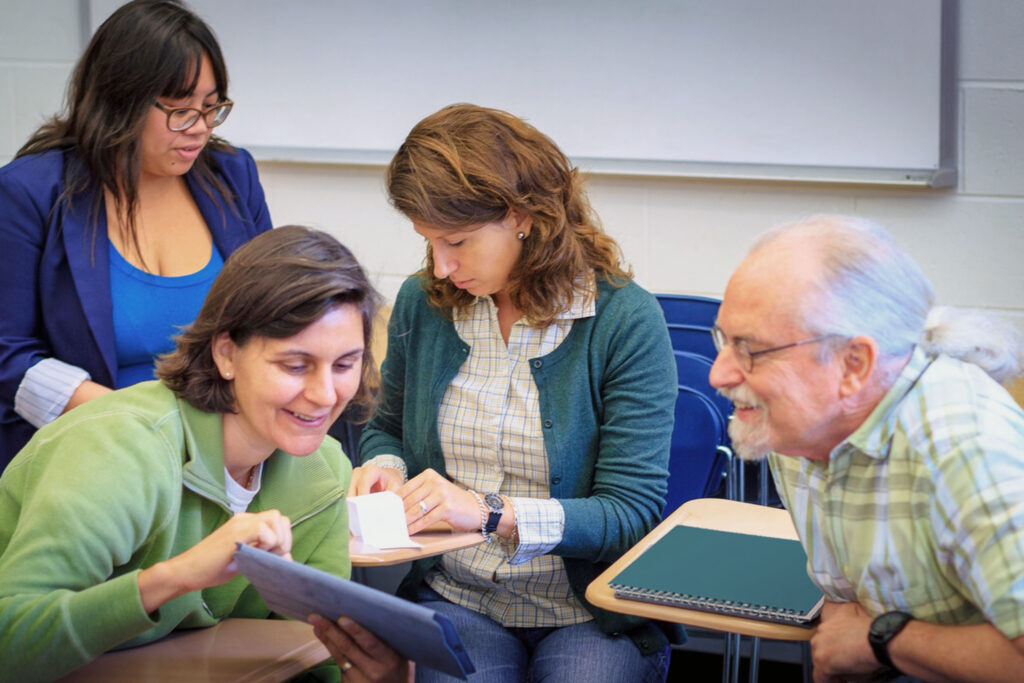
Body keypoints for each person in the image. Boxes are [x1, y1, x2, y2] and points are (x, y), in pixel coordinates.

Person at [349, 103, 680, 682]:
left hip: (588, 610)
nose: (443, 266)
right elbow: (387, 428)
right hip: (458, 593)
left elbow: (630, 514)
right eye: (429, 242)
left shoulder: (624, 320)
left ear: (522, 216)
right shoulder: (423, 304)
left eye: (457, 241)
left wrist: (489, 514)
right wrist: (385, 468)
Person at [0, 226, 381, 680]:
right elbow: (10, 642)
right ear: (226, 354)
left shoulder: (325, 472)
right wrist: (176, 577)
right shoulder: (120, 448)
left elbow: (317, 659)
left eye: (344, 365)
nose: (324, 394)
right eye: (294, 365)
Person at [708, 214, 1024, 682]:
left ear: (853, 364)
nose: (719, 374)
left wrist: (882, 638)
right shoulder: (798, 426)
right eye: (724, 340)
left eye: (750, 349)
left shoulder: (966, 454)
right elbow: (845, 601)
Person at [0, 0, 273, 468]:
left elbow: (274, 313)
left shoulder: (232, 175)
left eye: (211, 109)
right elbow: (8, 356)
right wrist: (141, 427)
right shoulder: (30, 193)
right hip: (88, 455)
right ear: (119, 100)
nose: (200, 130)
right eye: (181, 111)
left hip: (222, 454)